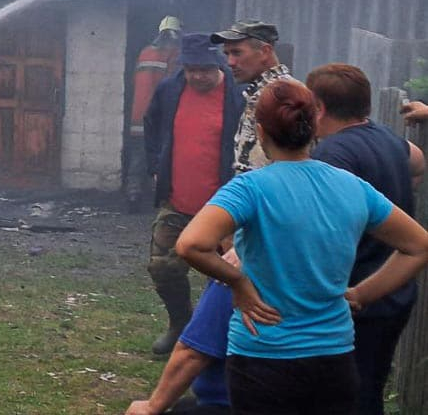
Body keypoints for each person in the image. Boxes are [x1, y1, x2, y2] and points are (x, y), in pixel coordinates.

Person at [176, 80, 428, 415]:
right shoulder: (352, 187)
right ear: (313, 130)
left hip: (261, 355)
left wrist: (238, 283)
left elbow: (192, 244)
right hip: (333, 355)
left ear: (262, 133)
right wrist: (361, 294)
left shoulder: (249, 188)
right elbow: (419, 246)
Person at [307, 64, 426, 415]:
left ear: (320, 107)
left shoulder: (332, 155)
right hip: (396, 291)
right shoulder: (385, 137)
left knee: (344, 399)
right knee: (368, 390)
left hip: (357, 297)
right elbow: (418, 163)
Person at [143, 33, 244, 355]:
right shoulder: (170, 89)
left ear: (218, 64)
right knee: (162, 267)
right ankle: (180, 324)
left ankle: (224, 337)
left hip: (226, 206)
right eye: (190, 69)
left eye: (204, 69)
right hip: (177, 200)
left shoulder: (239, 95)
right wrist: (156, 165)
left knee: (227, 274)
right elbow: (151, 123)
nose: (197, 76)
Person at [124, 279, 234, 414]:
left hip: (235, 405)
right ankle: (179, 324)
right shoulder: (259, 271)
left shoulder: (229, 281)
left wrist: (152, 406)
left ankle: (181, 328)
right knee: (184, 405)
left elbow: (192, 355)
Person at [210, 20, 296, 173]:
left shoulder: (284, 94)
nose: (230, 62)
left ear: (265, 51)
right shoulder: (260, 93)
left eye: (237, 52)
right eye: (227, 54)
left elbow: (290, 165)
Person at [125, 15, 183, 212]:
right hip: (161, 116)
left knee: (138, 158)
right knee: (162, 158)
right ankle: (158, 197)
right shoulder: (175, 55)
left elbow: (136, 83)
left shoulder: (144, 53)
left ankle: (133, 195)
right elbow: (174, 86)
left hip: (138, 116)